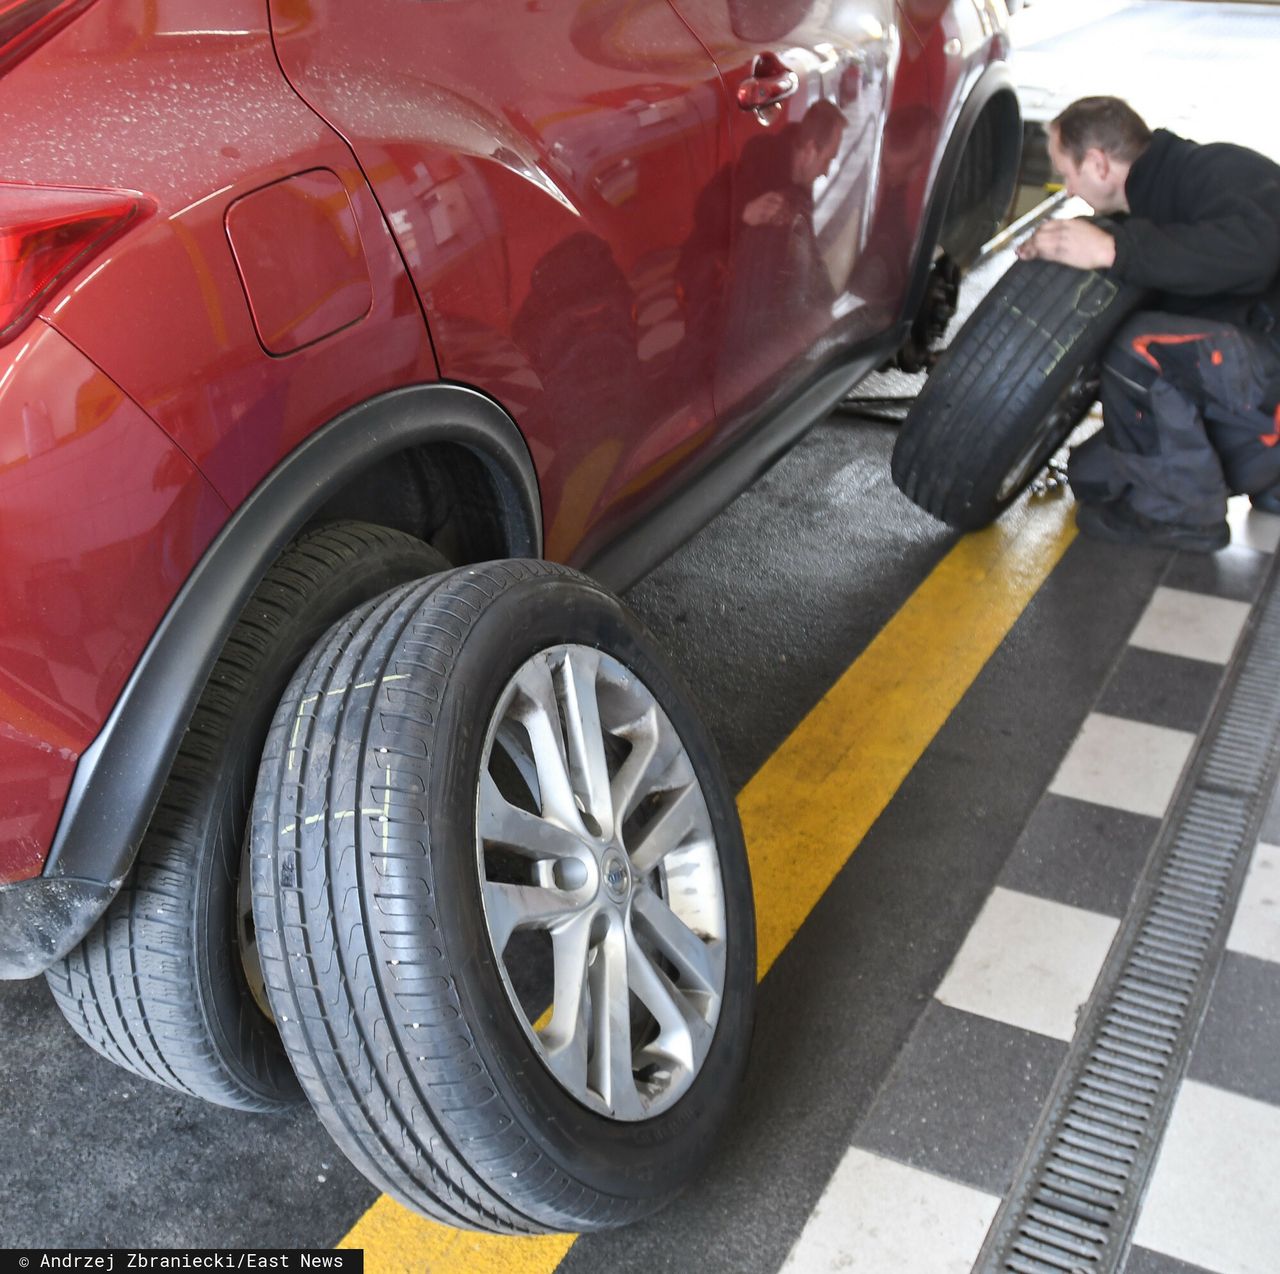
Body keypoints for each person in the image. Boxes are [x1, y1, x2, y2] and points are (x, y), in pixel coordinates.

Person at [1017, 96, 1280, 552]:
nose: (1068, 189)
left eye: (1068, 173)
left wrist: (1114, 251)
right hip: (1253, 374)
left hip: (1269, 364)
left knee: (1140, 347)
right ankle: (1269, 472)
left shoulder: (1212, 169)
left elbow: (1256, 251)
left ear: (1098, 163)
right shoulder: (1141, 212)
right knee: (1094, 478)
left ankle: (1183, 515)